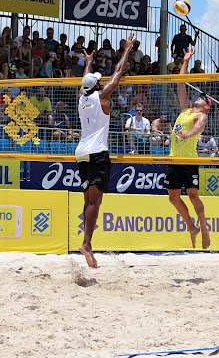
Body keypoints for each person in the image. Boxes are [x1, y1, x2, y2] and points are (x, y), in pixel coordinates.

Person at [76, 33, 135, 268]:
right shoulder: (102, 97)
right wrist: (127, 49)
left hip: (81, 153)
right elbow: (118, 73)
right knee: (95, 202)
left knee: (88, 200)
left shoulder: (82, 98)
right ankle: (87, 243)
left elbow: (84, 81)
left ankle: (86, 241)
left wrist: (89, 62)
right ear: (98, 85)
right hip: (98, 152)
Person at [166, 47, 211, 250]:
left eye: (203, 98)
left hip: (188, 160)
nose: (199, 97)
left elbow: (198, 129)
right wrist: (185, 61)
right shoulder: (186, 109)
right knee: (173, 197)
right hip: (175, 158)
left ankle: (204, 229)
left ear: (207, 106)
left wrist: (189, 134)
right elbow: (180, 83)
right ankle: (192, 228)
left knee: (193, 195)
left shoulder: (201, 115)